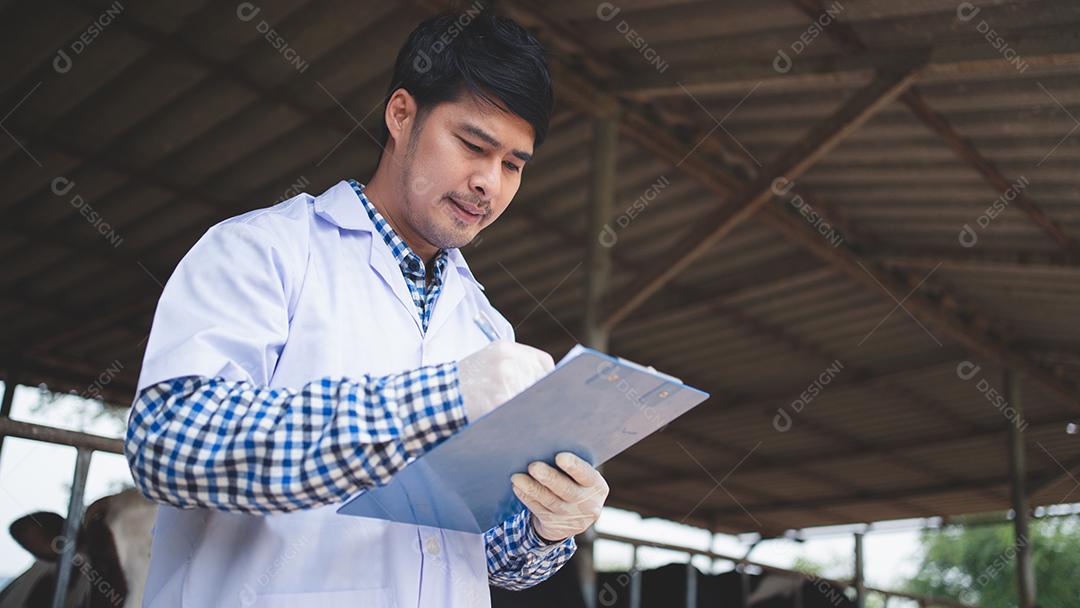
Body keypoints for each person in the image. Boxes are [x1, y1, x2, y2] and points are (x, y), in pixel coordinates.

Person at [124, 11, 610, 608]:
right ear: (402, 115)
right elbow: (169, 446)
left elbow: (482, 552)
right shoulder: (265, 251)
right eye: (472, 145)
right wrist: (440, 400)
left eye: (513, 164)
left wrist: (545, 524)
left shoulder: (487, 326)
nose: (489, 182)